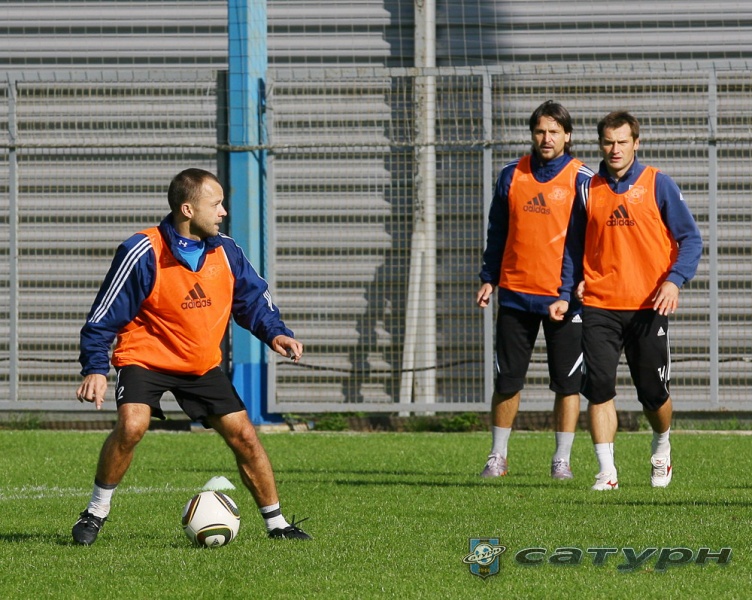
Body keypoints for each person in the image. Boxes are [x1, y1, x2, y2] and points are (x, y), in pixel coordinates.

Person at [72, 168, 311, 544]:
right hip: (145, 358)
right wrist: (96, 368)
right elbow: (104, 315)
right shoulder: (143, 251)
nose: (223, 212)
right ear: (187, 209)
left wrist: (275, 332)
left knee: (245, 436)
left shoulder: (226, 250)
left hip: (199, 364)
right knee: (132, 426)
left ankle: (277, 524)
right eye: (216, 204)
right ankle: (95, 513)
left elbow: (252, 300)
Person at [573, 111, 702, 490]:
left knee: (653, 393)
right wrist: (572, 283)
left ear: (636, 143)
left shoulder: (658, 183)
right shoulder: (588, 189)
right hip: (599, 304)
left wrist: (674, 281)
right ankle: (606, 472)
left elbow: (690, 239)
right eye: (608, 142)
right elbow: (573, 245)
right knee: (598, 387)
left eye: (622, 142)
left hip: (649, 306)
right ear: (600, 145)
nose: (615, 149)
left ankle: (661, 447)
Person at [476, 100, 593, 480]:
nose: (546, 138)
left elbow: (592, 240)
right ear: (532, 134)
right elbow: (497, 231)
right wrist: (489, 277)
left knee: (568, 383)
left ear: (567, 136)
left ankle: (562, 460)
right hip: (515, 294)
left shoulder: (583, 178)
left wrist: (578, 286)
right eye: (540, 131)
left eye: (554, 132)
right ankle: (497, 456)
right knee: (507, 380)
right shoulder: (512, 174)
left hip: (564, 300)